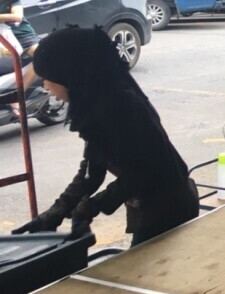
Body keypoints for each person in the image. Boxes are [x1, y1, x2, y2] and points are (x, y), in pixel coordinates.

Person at [11, 27, 198, 245]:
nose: (45, 86)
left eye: (48, 78)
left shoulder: (119, 106)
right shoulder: (96, 100)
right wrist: (58, 211)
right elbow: (93, 169)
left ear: (69, 74)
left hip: (169, 206)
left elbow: (145, 170)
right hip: (152, 204)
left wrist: (93, 205)